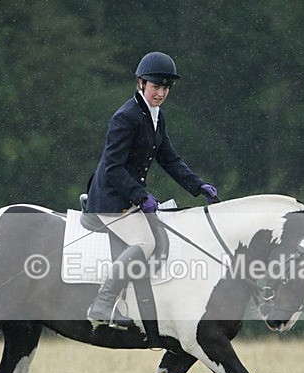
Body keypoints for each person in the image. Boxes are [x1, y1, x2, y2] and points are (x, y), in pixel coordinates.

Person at [85, 51, 219, 329]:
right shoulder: (126, 116)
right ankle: (102, 305)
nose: (160, 93)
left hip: (128, 198)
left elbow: (169, 158)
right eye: (156, 86)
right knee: (146, 243)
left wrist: (198, 185)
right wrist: (141, 195)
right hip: (110, 200)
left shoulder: (156, 116)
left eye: (165, 88)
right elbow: (113, 167)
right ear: (141, 84)